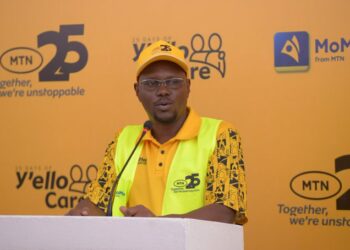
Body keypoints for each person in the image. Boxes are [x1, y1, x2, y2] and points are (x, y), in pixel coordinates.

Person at [67, 40, 247, 224]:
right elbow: (98, 203)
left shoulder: (221, 135)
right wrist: (83, 213)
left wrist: (157, 224)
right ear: (137, 91)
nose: (163, 90)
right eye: (151, 83)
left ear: (188, 86)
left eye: (174, 82)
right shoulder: (123, 139)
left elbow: (225, 211)